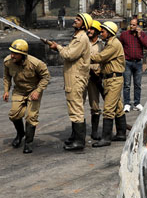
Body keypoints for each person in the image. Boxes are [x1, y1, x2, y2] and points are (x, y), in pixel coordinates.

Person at [47, 13, 92, 151]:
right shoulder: (77, 37)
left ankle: (79, 141)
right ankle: (75, 136)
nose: (75, 20)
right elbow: (69, 50)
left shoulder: (81, 39)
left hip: (76, 78)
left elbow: (69, 55)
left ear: (84, 25)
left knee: (76, 109)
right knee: (75, 107)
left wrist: (58, 48)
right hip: (75, 77)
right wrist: (58, 46)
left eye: (78, 20)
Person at [3, 39, 50, 154]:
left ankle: (28, 142)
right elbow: (6, 77)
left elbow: (46, 77)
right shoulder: (8, 62)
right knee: (14, 115)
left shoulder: (36, 64)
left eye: (15, 53)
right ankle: (20, 134)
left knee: (31, 117)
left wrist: (38, 91)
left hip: (33, 91)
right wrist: (6, 91)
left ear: (22, 54)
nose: (12, 55)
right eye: (11, 52)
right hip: (19, 91)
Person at [90, 21, 127, 147]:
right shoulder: (109, 43)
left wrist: (83, 54)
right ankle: (121, 133)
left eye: (103, 31)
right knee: (118, 107)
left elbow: (100, 58)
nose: (101, 33)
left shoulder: (113, 44)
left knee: (108, 109)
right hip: (110, 79)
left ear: (110, 32)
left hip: (114, 79)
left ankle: (106, 138)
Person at [119, 17, 147, 112]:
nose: (132, 26)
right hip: (127, 62)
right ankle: (127, 104)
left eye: (134, 25)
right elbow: (119, 46)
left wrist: (139, 36)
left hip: (138, 62)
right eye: (131, 24)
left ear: (137, 26)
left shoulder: (142, 35)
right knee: (127, 84)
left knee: (138, 84)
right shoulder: (124, 35)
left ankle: (137, 103)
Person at [87, 19, 105, 141]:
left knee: (95, 104)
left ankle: (94, 131)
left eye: (92, 29)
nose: (89, 31)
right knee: (77, 105)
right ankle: (76, 132)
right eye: (89, 28)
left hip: (97, 77)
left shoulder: (102, 45)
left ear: (98, 31)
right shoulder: (83, 43)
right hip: (84, 76)